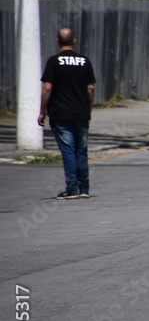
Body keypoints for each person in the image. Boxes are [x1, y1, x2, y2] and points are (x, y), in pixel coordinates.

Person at [38, 27, 96, 200]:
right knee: (81, 151)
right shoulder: (84, 61)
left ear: (57, 41)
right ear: (74, 41)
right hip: (81, 114)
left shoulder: (54, 62)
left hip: (61, 114)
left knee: (68, 151)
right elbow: (90, 88)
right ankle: (84, 188)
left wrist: (43, 112)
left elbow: (47, 88)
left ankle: (72, 188)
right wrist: (88, 109)